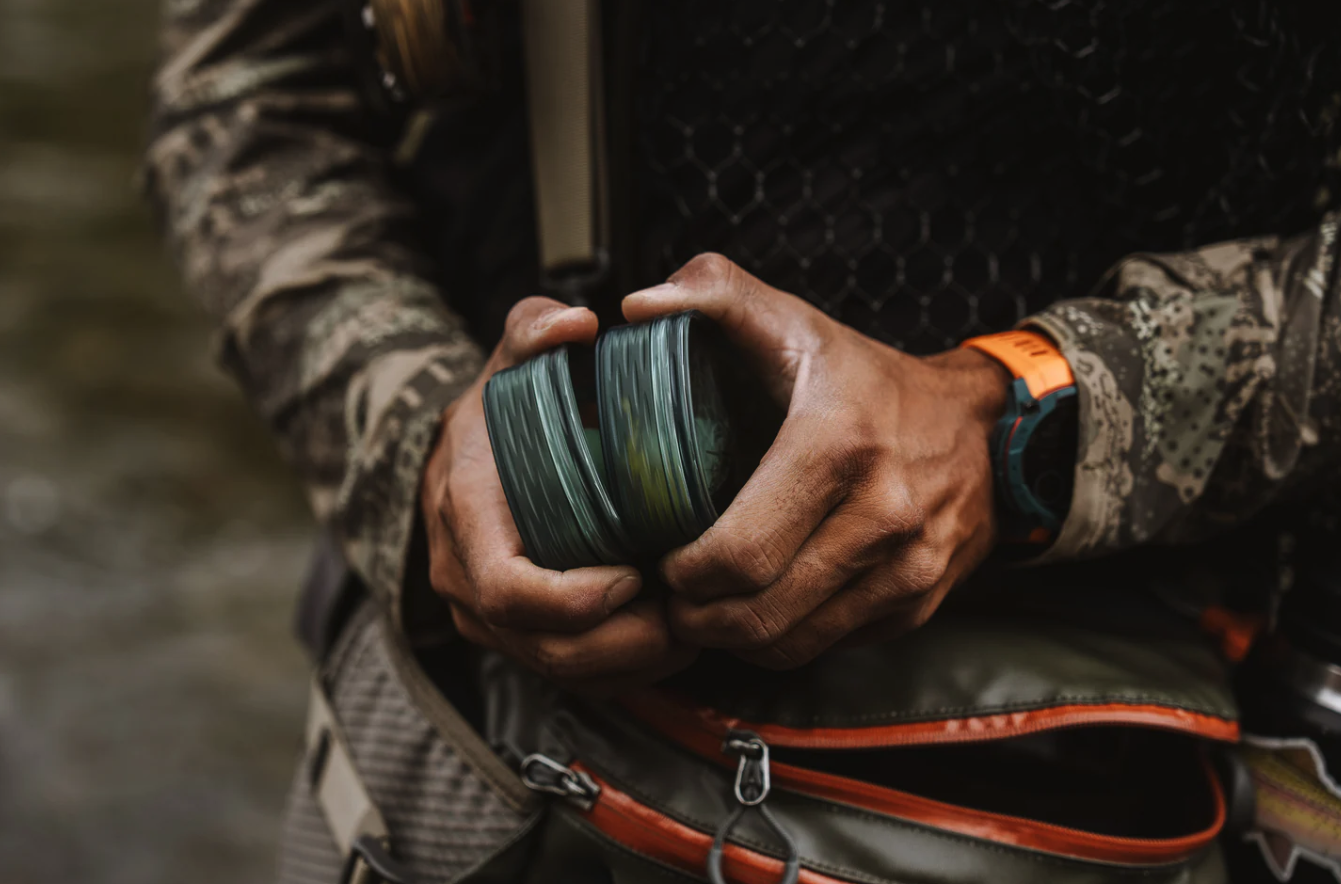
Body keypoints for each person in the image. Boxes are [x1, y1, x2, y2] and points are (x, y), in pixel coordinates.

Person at [144, 0, 1341, 881]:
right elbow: (244, 105)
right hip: (488, 746)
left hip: (1154, 766)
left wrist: (1018, 422)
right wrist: (416, 451)